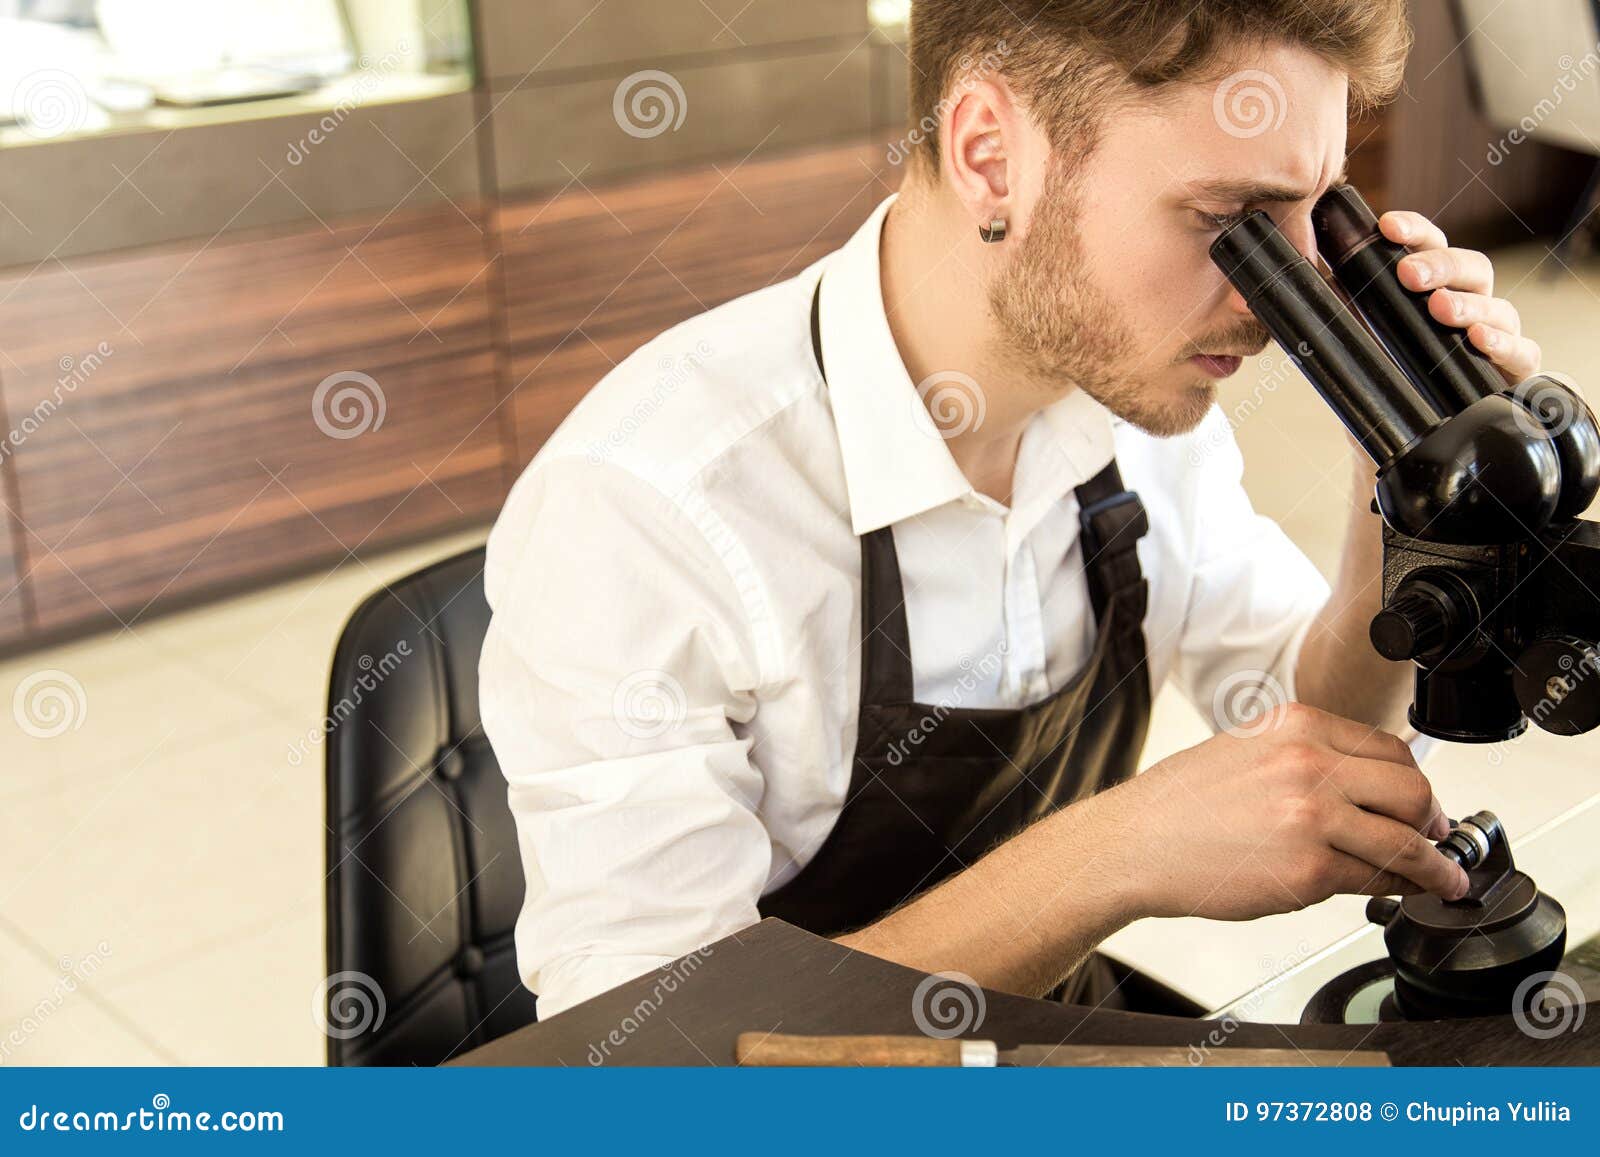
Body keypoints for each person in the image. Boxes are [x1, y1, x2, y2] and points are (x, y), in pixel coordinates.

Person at [480, 0, 1543, 1018]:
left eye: (1316, 216)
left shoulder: (1138, 408)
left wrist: (1399, 514)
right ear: (992, 154)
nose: (1281, 296)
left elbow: (1320, 727)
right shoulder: (646, 506)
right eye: (1231, 223)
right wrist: (1114, 852)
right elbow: (646, 1061)